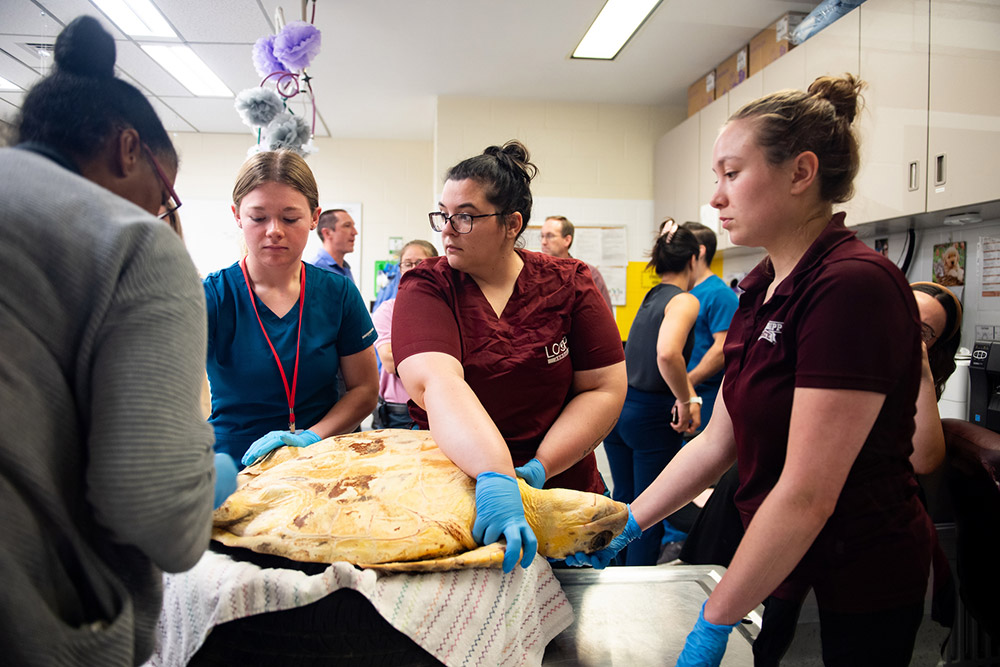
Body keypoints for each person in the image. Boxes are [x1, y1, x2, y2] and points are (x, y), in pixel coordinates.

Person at [568, 74, 936, 667]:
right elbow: (719, 441)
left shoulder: (851, 286)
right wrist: (625, 524)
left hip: (850, 575)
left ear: (800, 173)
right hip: (775, 555)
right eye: (716, 177)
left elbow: (808, 491)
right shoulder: (761, 287)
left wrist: (714, 623)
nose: (714, 199)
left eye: (731, 174)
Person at [0, 16, 222, 665]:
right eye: (164, 196)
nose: (160, 214)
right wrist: (209, 484)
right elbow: (153, 508)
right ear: (130, 149)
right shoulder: (130, 240)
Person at [393, 140, 627, 573]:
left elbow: (604, 388)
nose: (445, 229)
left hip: (558, 490)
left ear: (511, 223)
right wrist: (496, 476)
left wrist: (539, 469)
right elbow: (438, 383)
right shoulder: (427, 286)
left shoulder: (570, 284)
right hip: (459, 494)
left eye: (464, 216)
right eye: (442, 215)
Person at [203, 150, 379, 467]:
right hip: (234, 469)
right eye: (258, 218)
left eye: (290, 218)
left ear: (314, 217)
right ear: (237, 215)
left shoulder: (337, 294)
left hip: (318, 463)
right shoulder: (212, 298)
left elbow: (364, 389)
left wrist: (311, 437)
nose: (274, 230)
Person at [601, 219, 701, 566]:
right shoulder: (684, 300)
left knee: (626, 502)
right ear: (694, 258)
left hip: (619, 410)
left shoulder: (651, 296)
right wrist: (689, 398)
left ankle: (612, 578)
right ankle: (634, 593)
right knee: (648, 512)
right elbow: (668, 353)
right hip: (649, 417)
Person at [370, 240, 438, 429]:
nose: (413, 269)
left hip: (439, 407)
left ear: (435, 265)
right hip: (399, 412)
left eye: (420, 262)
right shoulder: (387, 311)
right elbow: (391, 363)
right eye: (407, 264)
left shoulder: (445, 309)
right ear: (400, 269)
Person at [681, 221, 739, 429]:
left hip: (704, 395)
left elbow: (722, 348)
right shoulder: (685, 291)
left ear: (700, 251)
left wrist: (685, 384)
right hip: (683, 393)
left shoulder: (719, 294)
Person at [540, 215, 614, 311]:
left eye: (550, 236)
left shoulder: (588, 273)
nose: (543, 242)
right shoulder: (537, 274)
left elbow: (605, 316)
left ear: (567, 240)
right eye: (542, 236)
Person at [307, 208, 358, 284]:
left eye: (353, 226)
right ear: (327, 233)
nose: (355, 232)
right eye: (347, 226)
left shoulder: (346, 269)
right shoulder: (315, 271)